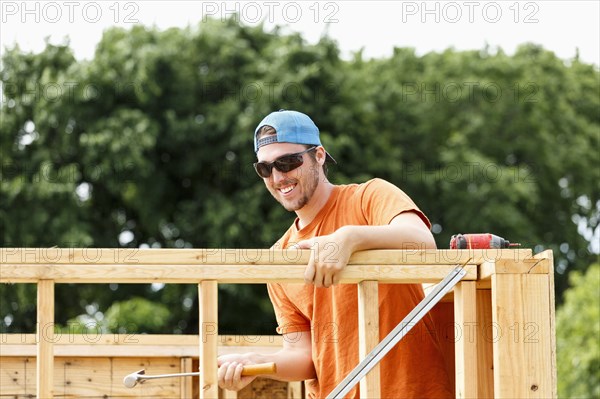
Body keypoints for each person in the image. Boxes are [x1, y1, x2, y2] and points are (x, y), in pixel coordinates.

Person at [217, 110, 453, 398]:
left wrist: (349, 238)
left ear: (318, 155)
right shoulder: (280, 256)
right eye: (265, 169)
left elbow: (422, 242)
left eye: (288, 162)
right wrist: (259, 364)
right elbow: (303, 355)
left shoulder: (369, 198)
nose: (278, 177)